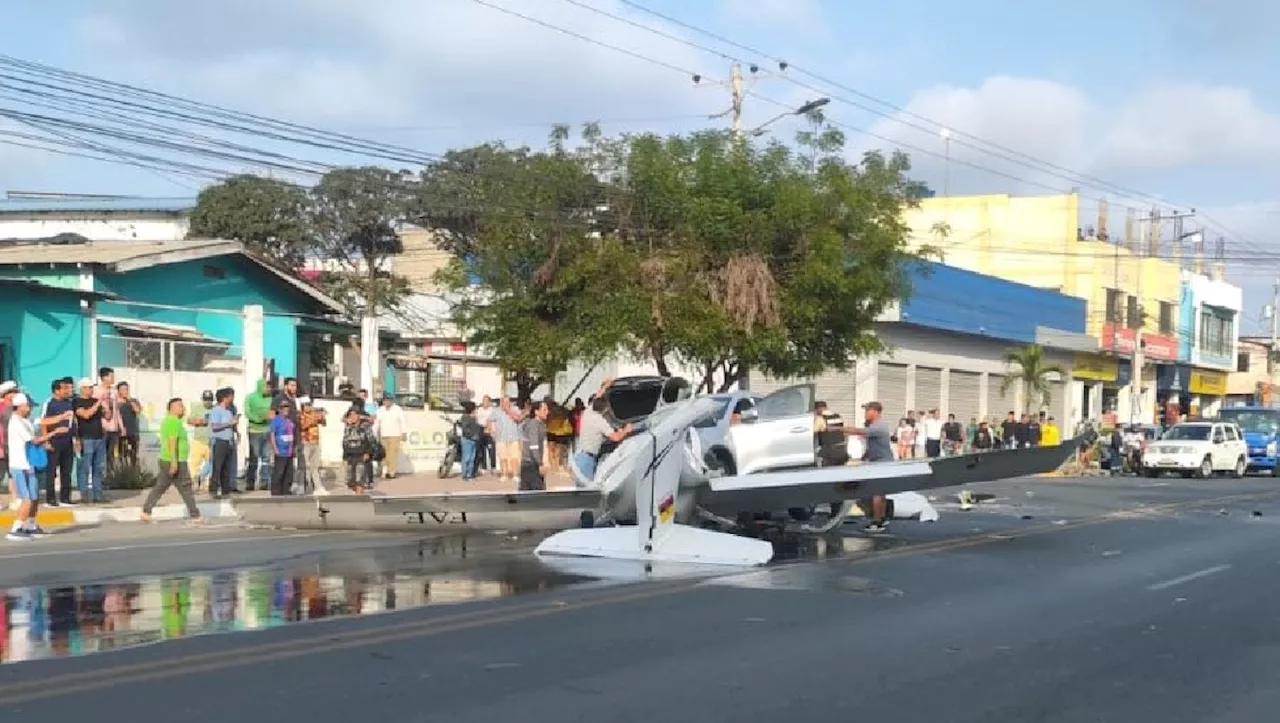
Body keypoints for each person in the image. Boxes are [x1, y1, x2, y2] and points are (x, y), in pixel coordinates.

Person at [7, 393, 69, 541]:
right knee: (27, 499)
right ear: (20, 406)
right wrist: (54, 432)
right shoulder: (16, 422)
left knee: (34, 497)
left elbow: (42, 421)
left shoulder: (25, 420)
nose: (30, 409)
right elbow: (34, 441)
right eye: (28, 406)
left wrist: (62, 417)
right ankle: (16, 528)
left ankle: (31, 525)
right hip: (19, 465)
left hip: (29, 465)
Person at [140, 397, 202, 524]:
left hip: (170, 460)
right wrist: (174, 462)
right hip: (174, 460)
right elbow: (171, 441)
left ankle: (146, 511)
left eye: (182, 405)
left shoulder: (173, 421)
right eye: (179, 406)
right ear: (171, 409)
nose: (182, 408)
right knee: (185, 487)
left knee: (161, 487)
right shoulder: (173, 421)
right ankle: (195, 515)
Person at [844, 401, 893, 532]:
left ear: (875, 412)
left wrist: (840, 429)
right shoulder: (874, 425)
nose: (865, 414)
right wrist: (865, 456)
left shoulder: (879, 426)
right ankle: (881, 518)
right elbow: (873, 444)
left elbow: (861, 432)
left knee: (876, 493)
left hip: (881, 463)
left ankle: (877, 521)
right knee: (880, 493)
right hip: (879, 461)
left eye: (867, 411)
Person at [573, 396, 633, 485]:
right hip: (587, 459)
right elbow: (615, 438)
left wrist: (605, 385)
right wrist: (626, 430)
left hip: (579, 455)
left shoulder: (587, 412)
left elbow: (597, 396)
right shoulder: (600, 421)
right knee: (586, 489)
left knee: (580, 489)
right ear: (605, 409)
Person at [40, 377, 76, 506]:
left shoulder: (69, 402)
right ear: (56, 390)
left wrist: (75, 439)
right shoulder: (49, 403)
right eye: (64, 388)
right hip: (54, 441)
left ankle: (65, 498)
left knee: (66, 471)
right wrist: (46, 441)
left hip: (67, 441)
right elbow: (43, 423)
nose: (67, 390)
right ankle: (50, 499)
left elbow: (72, 422)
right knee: (52, 471)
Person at [73, 377, 107, 504]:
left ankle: (98, 495)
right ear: (82, 388)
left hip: (99, 437)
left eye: (92, 387)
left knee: (98, 467)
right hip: (85, 438)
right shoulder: (77, 402)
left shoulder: (95, 401)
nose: (92, 390)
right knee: (84, 467)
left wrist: (106, 407)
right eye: (89, 387)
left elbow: (105, 416)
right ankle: (84, 495)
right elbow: (86, 415)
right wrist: (99, 403)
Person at [206, 388, 239, 499]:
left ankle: (226, 490)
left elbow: (231, 425)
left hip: (228, 441)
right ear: (224, 398)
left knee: (227, 467)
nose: (232, 399)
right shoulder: (216, 410)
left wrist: (236, 431)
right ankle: (214, 489)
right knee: (217, 466)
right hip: (219, 441)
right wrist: (228, 423)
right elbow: (215, 426)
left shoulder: (229, 411)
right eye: (230, 396)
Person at [243, 378, 274, 492]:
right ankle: (250, 483)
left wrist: (269, 417)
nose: (269, 389)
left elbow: (273, 413)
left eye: (270, 387)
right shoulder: (250, 398)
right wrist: (259, 418)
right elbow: (248, 412)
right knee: (254, 458)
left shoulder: (271, 399)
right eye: (267, 386)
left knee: (266, 458)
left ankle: (264, 482)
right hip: (254, 431)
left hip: (267, 431)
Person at [341, 408, 375, 494]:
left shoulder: (365, 426)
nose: (352, 417)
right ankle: (357, 494)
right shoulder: (348, 427)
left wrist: (368, 452)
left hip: (361, 455)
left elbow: (371, 441)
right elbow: (345, 441)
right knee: (350, 482)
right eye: (350, 415)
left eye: (354, 414)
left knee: (360, 479)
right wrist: (345, 455)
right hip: (350, 456)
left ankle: (359, 498)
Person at [518, 399, 550, 491]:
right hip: (530, 465)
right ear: (536, 412)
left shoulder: (541, 425)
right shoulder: (533, 425)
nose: (547, 412)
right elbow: (533, 446)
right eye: (544, 410)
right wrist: (539, 464)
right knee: (536, 494)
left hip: (532, 463)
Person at [267, 399, 297, 496]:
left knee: (288, 473)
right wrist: (275, 448)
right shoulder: (276, 420)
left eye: (287, 407)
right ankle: (276, 491)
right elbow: (272, 435)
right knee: (279, 472)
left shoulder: (289, 421)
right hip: (281, 450)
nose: (286, 409)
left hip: (289, 451)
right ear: (279, 409)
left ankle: (285, 490)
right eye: (283, 408)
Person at [373, 395, 406, 480]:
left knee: (392, 454)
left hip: (395, 435)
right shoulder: (380, 410)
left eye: (388, 400)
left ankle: (392, 472)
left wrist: (403, 433)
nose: (386, 402)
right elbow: (377, 423)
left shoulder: (397, 409)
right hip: (383, 435)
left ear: (391, 401)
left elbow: (402, 421)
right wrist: (374, 434)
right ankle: (385, 471)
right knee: (384, 454)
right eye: (384, 401)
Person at [187, 390, 214, 490]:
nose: (208, 402)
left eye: (210, 400)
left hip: (210, 441)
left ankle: (206, 482)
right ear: (202, 399)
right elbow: (189, 420)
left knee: (211, 463)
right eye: (206, 399)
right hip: (198, 440)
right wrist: (201, 421)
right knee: (194, 463)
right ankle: (194, 482)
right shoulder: (197, 408)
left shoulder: (215, 409)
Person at [298, 399, 326, 494]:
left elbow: (323, 423)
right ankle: (302, 486)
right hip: (305, 443)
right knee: (304, 467)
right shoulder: (300, 415)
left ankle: (317, 487)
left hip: (315, 443)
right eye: (307, 405)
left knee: (315, 467)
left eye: (310, 405)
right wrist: (313, 420)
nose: (309, 407)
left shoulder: (314, 414)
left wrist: (322, 416)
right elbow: (302, 426)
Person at [115, 382, 142, 468]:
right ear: (118, 391)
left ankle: (133, 473)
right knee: (121, 456)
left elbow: (137, 410)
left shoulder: (133, 401)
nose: (125, 391)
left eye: (126, 389)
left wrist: (129, 400)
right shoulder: (115, 402)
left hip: (132, 432)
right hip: (119, 433)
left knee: (133, 455)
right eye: (123, 389)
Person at [459, 401, 484, 481]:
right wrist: (472, 436)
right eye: (474, 408)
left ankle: (469, 475)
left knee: (472, 458)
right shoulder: (465, 417)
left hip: (474, 440)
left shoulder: (473, 417)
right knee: (466, 457)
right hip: (467, 440)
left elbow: (477, 427)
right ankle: (465, 475)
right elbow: (465, 429)